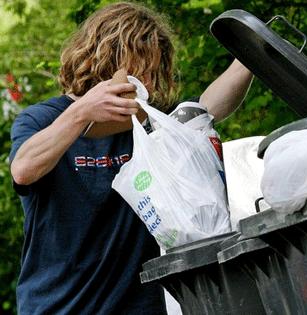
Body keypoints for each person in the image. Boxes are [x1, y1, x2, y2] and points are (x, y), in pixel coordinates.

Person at [9, 2, 252, 314]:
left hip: (140, 307)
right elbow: (23, 170)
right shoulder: (43, 118)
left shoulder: (151, 127)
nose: (146, 84)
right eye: (139, 71)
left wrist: (249, 57)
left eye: (153, 73)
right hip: (59, 306)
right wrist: (81, 112)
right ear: (103, 61)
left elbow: (203, 111)